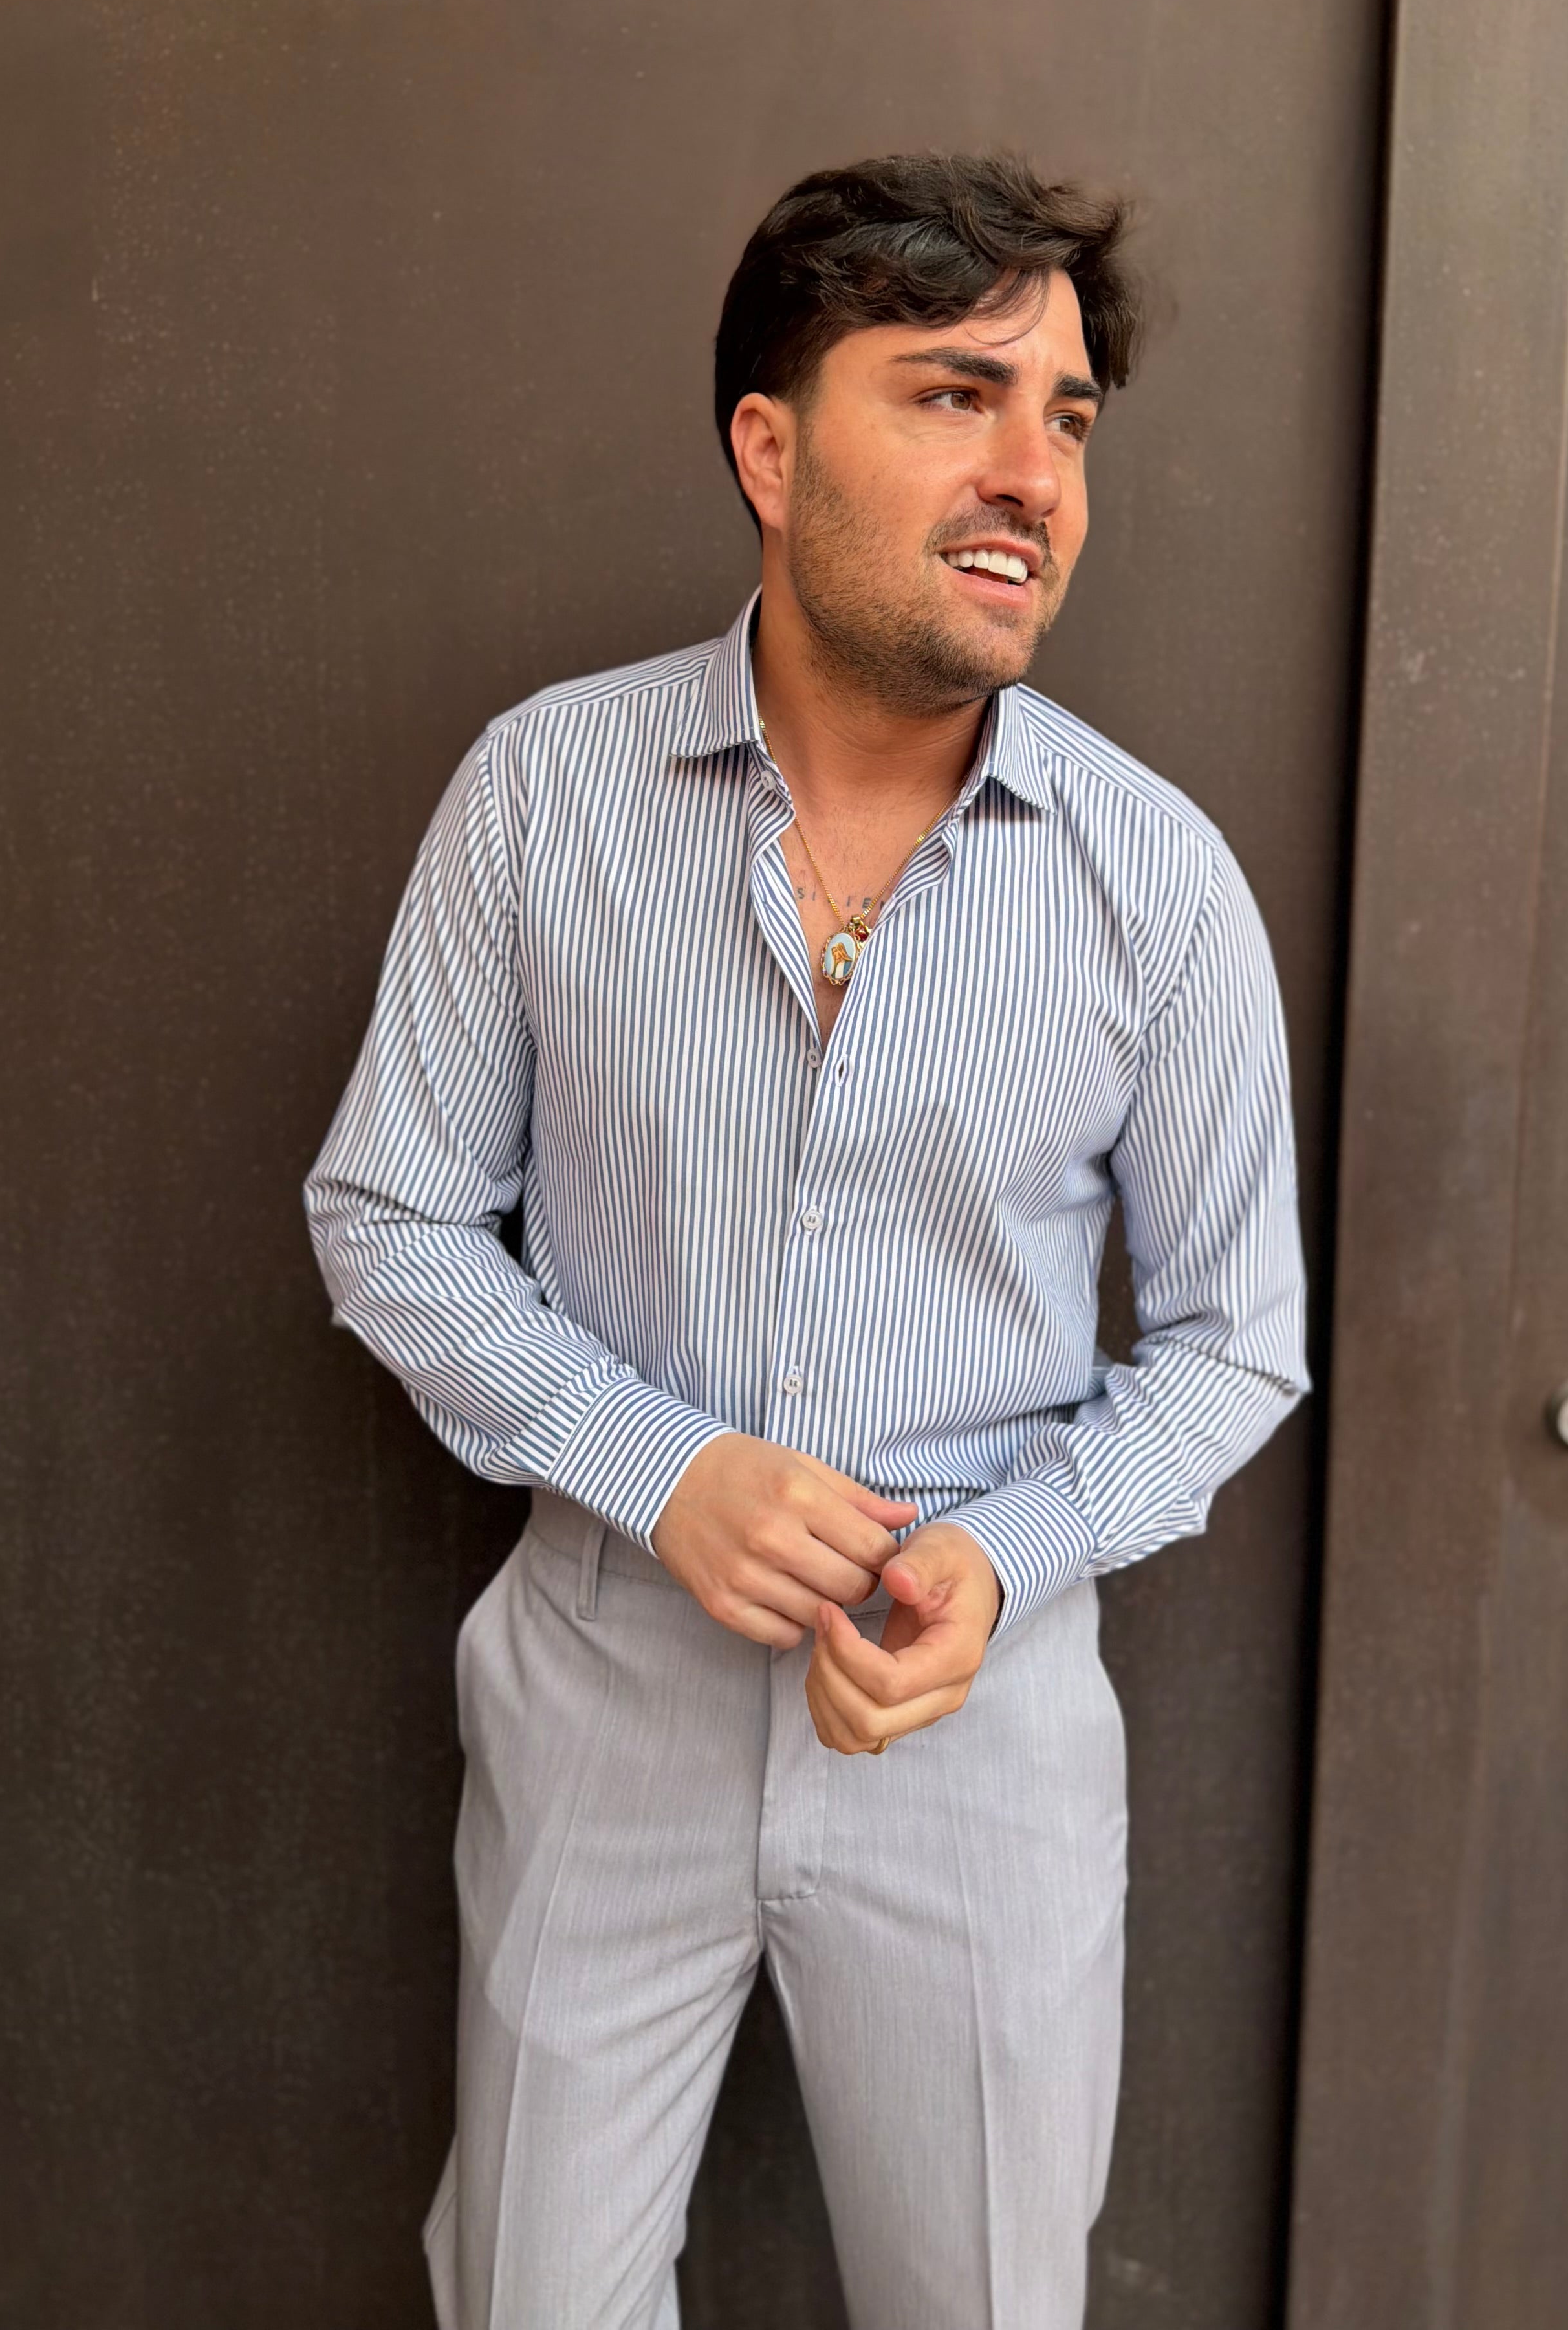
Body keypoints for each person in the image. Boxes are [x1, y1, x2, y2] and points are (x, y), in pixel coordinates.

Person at [303, 150, 1310, 2330]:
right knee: (532, 2300)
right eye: (954, 395)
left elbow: (1241, 1339)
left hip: (982, 1714)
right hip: (605, 1687)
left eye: (1065, 419)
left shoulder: (1157, 879)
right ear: (772, 451)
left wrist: (1006, 1561)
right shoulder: (542, 796)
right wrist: (662, 1468)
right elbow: (389, 1209)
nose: (1032, 472)